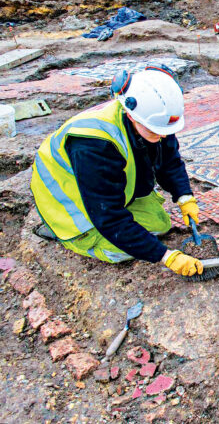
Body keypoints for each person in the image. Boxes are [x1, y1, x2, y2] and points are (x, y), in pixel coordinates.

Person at [30, 66, 205, 277]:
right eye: (155, 131)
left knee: (160, 224)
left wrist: (184, 196)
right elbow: (109, 216)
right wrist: (165, 256)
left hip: (103, 191)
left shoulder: (151, 120)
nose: (162, 136)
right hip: (71, 207)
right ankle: (70, 238)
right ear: (131, 115)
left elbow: (169, 158)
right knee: (122, 251)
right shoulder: (93, 145)